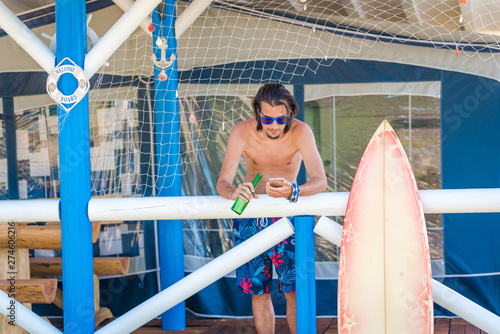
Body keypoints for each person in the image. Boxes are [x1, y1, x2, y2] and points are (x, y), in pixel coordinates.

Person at [216, 83, 327, 334]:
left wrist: (294, 190)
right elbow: (223, 182)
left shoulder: (301, 131)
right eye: (267, 119)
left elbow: (320, 181)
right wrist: (233, 192)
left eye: (281, 119)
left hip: (290, 216)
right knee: (258, 292)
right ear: (257, 113)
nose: (274, 125)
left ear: (290, 114)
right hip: (252, 218)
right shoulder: (241, 132)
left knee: (294, 291)